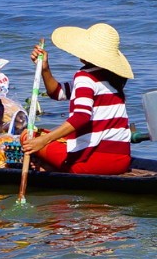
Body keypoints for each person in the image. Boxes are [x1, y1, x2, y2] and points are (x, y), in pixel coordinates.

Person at [26, 22, 134, 175]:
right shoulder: (113, 80)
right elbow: (57, 93)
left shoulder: (85, 77)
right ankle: (54, 165)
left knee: (28, 136)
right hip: (121, 162)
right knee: (52, 138)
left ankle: (56, 168)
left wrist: (44, 140)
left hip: (93, 163)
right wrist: (45, 68)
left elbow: (81, 116)